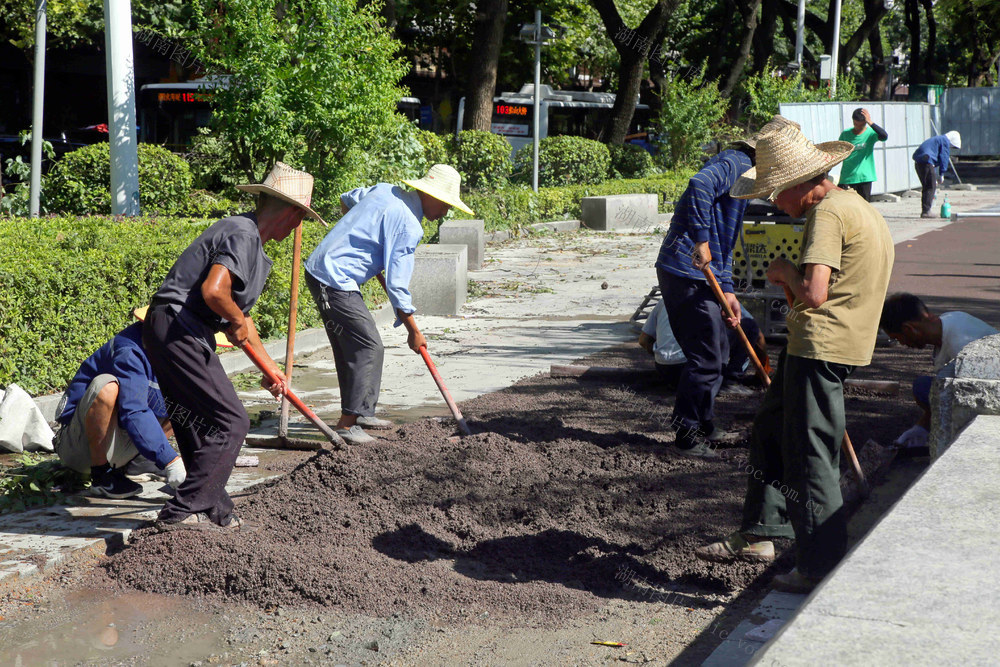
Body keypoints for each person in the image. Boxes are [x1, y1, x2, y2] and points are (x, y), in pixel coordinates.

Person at [695, 120, 894, 594]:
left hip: (820, 349)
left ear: (797, 185)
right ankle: (763, 531)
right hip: (826, 346)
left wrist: (784, 272)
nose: (772, 205)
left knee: (810, 456)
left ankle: (819, 567)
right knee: (770, 427)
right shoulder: (856, 206)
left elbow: (816, 292)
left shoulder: (826, 215)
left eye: (772, 195)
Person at [142, 162, 324, 531]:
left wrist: (270, 370)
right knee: (232, 422)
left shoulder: (252, 244)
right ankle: (179, 513)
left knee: (195, 423)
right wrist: (237, 320)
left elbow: (239, 319)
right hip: (179, 326)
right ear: (292, 213)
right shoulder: (243, 233)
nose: (297, 227)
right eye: (300, 218)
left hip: (173, 328)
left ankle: (217, 511)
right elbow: (215, 293)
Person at [303, 164, 473, 445]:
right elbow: (397, 285)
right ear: (428, 195)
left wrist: (364, 236)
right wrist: (413, 330)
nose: (445, 212)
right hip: (332, 278)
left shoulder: (386, 190)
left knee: (360, 346)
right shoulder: (409, 226)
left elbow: (347, 200)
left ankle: (362, 413)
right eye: (444, 204)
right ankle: (347, 425)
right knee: (367, 346)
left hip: (328, 271)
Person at [54, 323, 185, 499]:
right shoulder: (129, 349)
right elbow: (134, 411)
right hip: (78, 446)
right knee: (107, 387)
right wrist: (171, 461)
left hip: (121, 440)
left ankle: (141, 462)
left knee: (185, 397)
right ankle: (101, 474)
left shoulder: (176, 350)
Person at [879, 293, 997, 456]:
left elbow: (974, 401)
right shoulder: (951, 320)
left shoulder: (961, 347)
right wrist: (922, 427)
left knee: (932, 389)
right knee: (924, 387)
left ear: (909, 329)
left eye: (897, 339)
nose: (903, 344)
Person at [638, 299, 768, 391]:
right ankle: (730, 379)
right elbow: (759, 336)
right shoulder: (717, 297)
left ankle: (678, 376)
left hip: (665, 370)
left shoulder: (665, 299)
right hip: (696, 371)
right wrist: (764, 370)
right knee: (749, 327)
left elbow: (643, 340)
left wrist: (665, 356)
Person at [837, 108, 888, 201]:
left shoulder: (870, 134)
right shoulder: (845, 134)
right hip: (847, 177)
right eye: (856, 124)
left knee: (864, 207)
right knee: (846, 205)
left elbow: (884, 136)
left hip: (864, 177)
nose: (858, 127)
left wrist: (870, 122)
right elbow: (838, 152)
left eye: (862, 125)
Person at [912, 131, 961, 218]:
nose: (951, 148)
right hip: (926, 162)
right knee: (931, 186)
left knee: (927, 186)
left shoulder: (937, 139)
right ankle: (926, 211)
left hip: (919, 162)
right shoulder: (944, 141)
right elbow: (944, 158)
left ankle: (926, 209)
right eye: (952, 146)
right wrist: (942, 174)